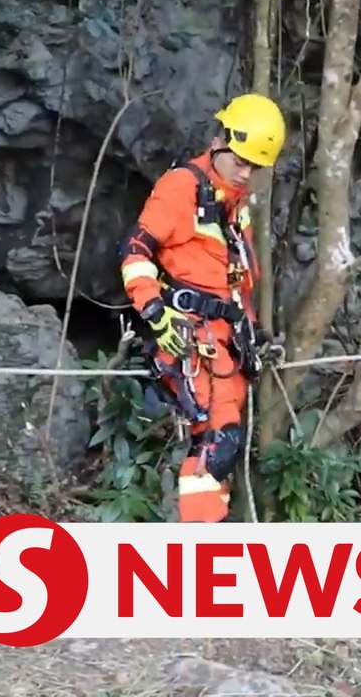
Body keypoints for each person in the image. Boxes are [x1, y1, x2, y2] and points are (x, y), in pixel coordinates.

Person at [119, 93, 286, 523]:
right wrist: (155, 312)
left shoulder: (233, 202)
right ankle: (203, 545)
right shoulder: (182, 187)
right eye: (241, 161)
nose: (246, 172)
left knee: (220, 443)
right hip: (192, 334)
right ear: (221, 141)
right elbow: (135, 250)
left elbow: (234, 280)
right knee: (215, 441)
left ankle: (211, 536)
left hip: (225, 339)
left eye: (255, 166)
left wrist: (254, 335)